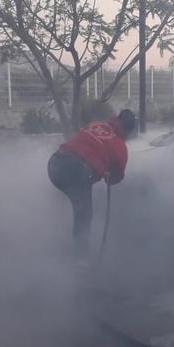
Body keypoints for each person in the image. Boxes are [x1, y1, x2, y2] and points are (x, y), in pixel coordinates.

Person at [47, 109, 136, 257]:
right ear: (128, 131)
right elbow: (116, 177)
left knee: (71, 199)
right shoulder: (120, 147)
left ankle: (57, 236)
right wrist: (106, 172)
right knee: (84, 214)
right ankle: (80, 261)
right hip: (76, 170)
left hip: (54, 163)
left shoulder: (96, 125)